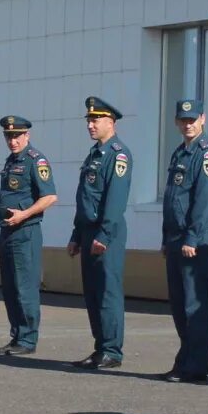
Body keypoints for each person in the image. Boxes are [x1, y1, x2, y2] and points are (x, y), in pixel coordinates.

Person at [160, 99, 208, 383]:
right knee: (178, 303)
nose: (188, 124)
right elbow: (172, 200)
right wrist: (165, 237)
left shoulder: (207, 154)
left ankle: (195, 366)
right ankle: (185, 359)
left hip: (194, 240)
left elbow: (205, 201)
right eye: (183, 120)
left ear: (203, 119)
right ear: (176, 122)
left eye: (192, 119)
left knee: (194, 304)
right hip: (176, 238)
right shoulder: (179, 153)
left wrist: (192, 237)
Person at [67, 96, 131, 369]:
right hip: (88, 230)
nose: (90, 125)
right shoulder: (95, 154)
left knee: (107, 293)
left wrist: (103, 235)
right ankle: (100, 347)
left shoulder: (118, 154)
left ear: (110, 122)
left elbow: (115, 202)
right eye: (89, 120)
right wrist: (76, 234)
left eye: (95, 120)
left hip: (107, 233)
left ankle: (112, 350)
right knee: (93, 293)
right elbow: (85, 198)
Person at [0, 115, 55, 356]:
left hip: (25, 232)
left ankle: (27, 339)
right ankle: (16, 336)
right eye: (8, 136)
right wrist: (1, 236)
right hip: (8, 231)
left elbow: (49, 197)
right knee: (9, 287)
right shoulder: (11, 161)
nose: (12, 140)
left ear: (27, 135)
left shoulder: (35, 160)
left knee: (24, 287)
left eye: (16, 136)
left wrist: (24, 215)